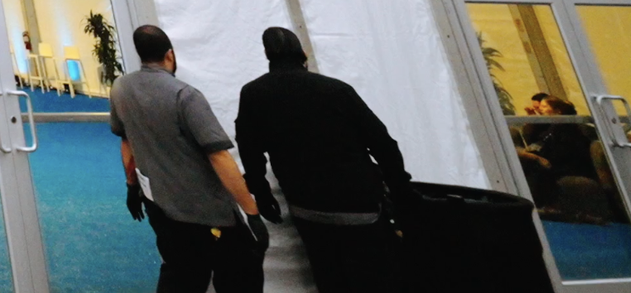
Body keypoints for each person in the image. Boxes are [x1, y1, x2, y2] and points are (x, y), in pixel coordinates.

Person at [235, 27, 410, 292]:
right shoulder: (336, 90)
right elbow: (383, 144)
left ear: (267, 55)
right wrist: (402, 191)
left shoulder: (253, 94)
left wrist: (261, 194)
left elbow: (250, 151)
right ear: (303, 55)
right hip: (361, 208)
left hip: (307, 210)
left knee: (330, 279)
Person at [111, 24, 266, 293]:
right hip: (206, 213)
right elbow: (219, 157)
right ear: (170, 55)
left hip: (160, 206)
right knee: (241, 275)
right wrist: (251, 212)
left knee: (181, 273)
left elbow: (127, 142)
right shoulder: (185, 95)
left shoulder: (121, 88)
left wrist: (131, 185)